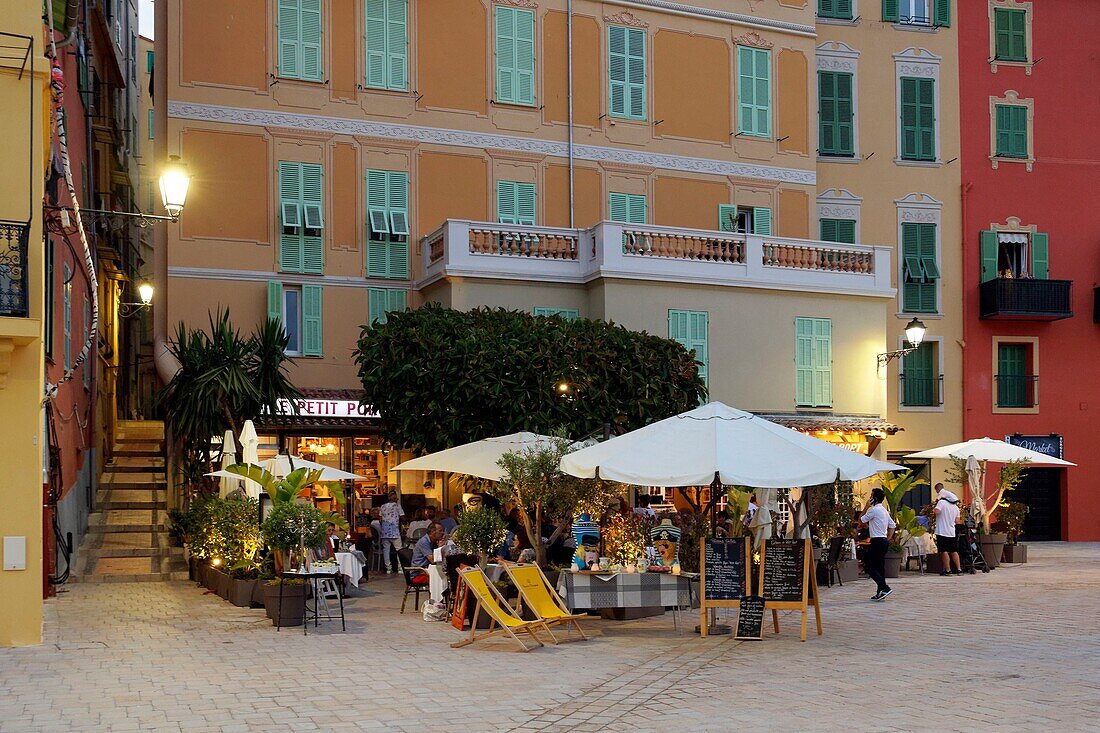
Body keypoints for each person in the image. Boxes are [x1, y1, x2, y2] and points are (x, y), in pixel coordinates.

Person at [860, 488, 896, 601]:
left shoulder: (873, 510)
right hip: (883, 540)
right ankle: (880, 591)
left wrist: (866, 507)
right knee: (880, 567)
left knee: (868, 565)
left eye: (871, 496)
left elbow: (861, 520)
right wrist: (888, 538)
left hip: (876, 541)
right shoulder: (884, 511)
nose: (870, 498)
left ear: (874, 498)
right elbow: (893, 525)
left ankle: (884, 587)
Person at [410, 522, 449, 605]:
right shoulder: (424, 542)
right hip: (419, 572)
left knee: (448, 577)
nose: (442, 533)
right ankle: (437, 604)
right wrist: (440, 548)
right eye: (440, 531)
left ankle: (443, 604)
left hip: (429, 570)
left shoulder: (434, 542)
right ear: (432, 532)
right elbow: (433, 560)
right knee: (442, 579)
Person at [934, 484, 963, 576]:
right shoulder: (956, 508)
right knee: (954, 551)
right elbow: (957, 521)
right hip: (951, 532)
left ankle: (948, 570)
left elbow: (937, 511)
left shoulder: (942, 503)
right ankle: (959, 569)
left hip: (942, 531)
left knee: (944, 551)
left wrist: (935, 507)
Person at [378, 490, 404, 574]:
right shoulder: (397, 506)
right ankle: (400, 568)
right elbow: (403, 518)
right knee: (399, 549)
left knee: (386, 550)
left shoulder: (382, 506)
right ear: (395, 498)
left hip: (385, 531)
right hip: (394, 531)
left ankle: (388, 568)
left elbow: (380, 519)